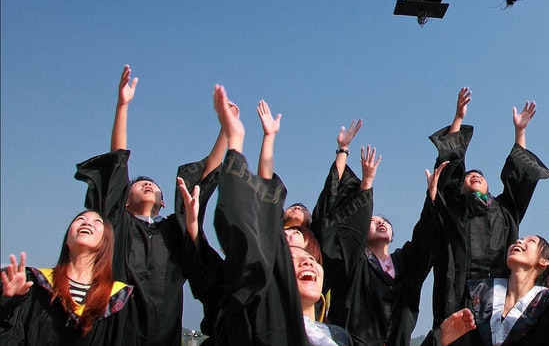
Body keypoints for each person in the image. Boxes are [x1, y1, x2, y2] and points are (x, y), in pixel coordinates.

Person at [73, 65, 224, 346]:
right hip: (116, 329)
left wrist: (226, 130)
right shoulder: (119, 226)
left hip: (162, 331)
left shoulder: (174, 230)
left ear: (163, 201)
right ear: (125, 200)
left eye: (153, 185)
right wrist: (123, 105)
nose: (147, 184)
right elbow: (118, 160)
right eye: (139, 183)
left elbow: (203, 180)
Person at [200, 84, 355, 346]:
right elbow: (259, 201)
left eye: (307, 256)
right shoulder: (266, 327)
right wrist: (242, 141)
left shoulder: (338, 337)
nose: (305, 262)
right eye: (289, 256)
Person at [311, 118, 444, 346]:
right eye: (372, 220)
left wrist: (431, 197)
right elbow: (336, 222)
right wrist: (364, 180)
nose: (380, 223)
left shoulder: (404, 263)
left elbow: (425, 241)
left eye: (385, 221)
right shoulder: (355, 262)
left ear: (392, 236)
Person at [429, 87, 549, 324]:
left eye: (480, 176)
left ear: (488, 186)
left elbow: (519, 176)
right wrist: (458, 118)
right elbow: (448, 169)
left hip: (499, 301)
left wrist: (520, 132)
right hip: (456, 297)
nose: (474, 176)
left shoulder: (504, 210)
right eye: (469, 176)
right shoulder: (454, 208)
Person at [0, 211, 134, 345]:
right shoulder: (34, 283)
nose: (87, 222)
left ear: (107, 242)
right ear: (66, 239)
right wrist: (9, 302)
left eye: (97, 221)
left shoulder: (118, 298)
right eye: (80, 219)